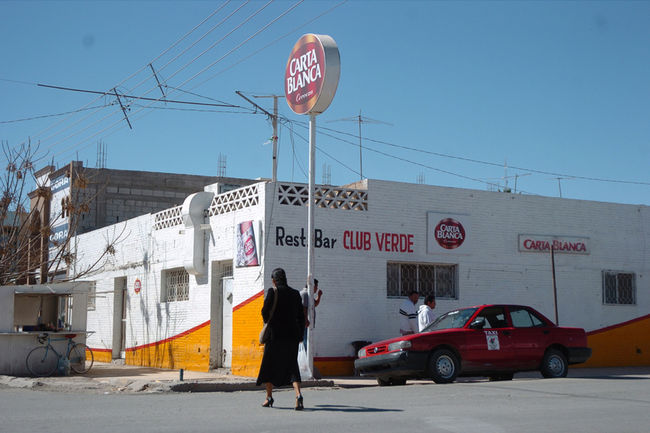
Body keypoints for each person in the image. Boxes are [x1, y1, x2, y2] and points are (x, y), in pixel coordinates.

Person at [256, 268, 306, 410]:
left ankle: (269, 397)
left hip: (275, 336)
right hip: (292, 337)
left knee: (269, 366)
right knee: (292, 366)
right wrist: (300, 335)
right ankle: (298, 395)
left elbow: (264, 311)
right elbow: (301, 317)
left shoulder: (273, 292)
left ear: (274, 280)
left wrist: (269, 322)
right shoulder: (295, 294)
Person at [300, 278, 323, 349]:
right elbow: (304, 307)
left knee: (307, 341)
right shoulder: (305, 294)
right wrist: (306, 320)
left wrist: (319, 296)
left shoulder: (309, 294)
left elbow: (314, 304)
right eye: (316, 286)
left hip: (307, 323)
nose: (317, 288)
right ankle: (306, 355)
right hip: (305, 324)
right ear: (312, 286)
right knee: (306, 341)